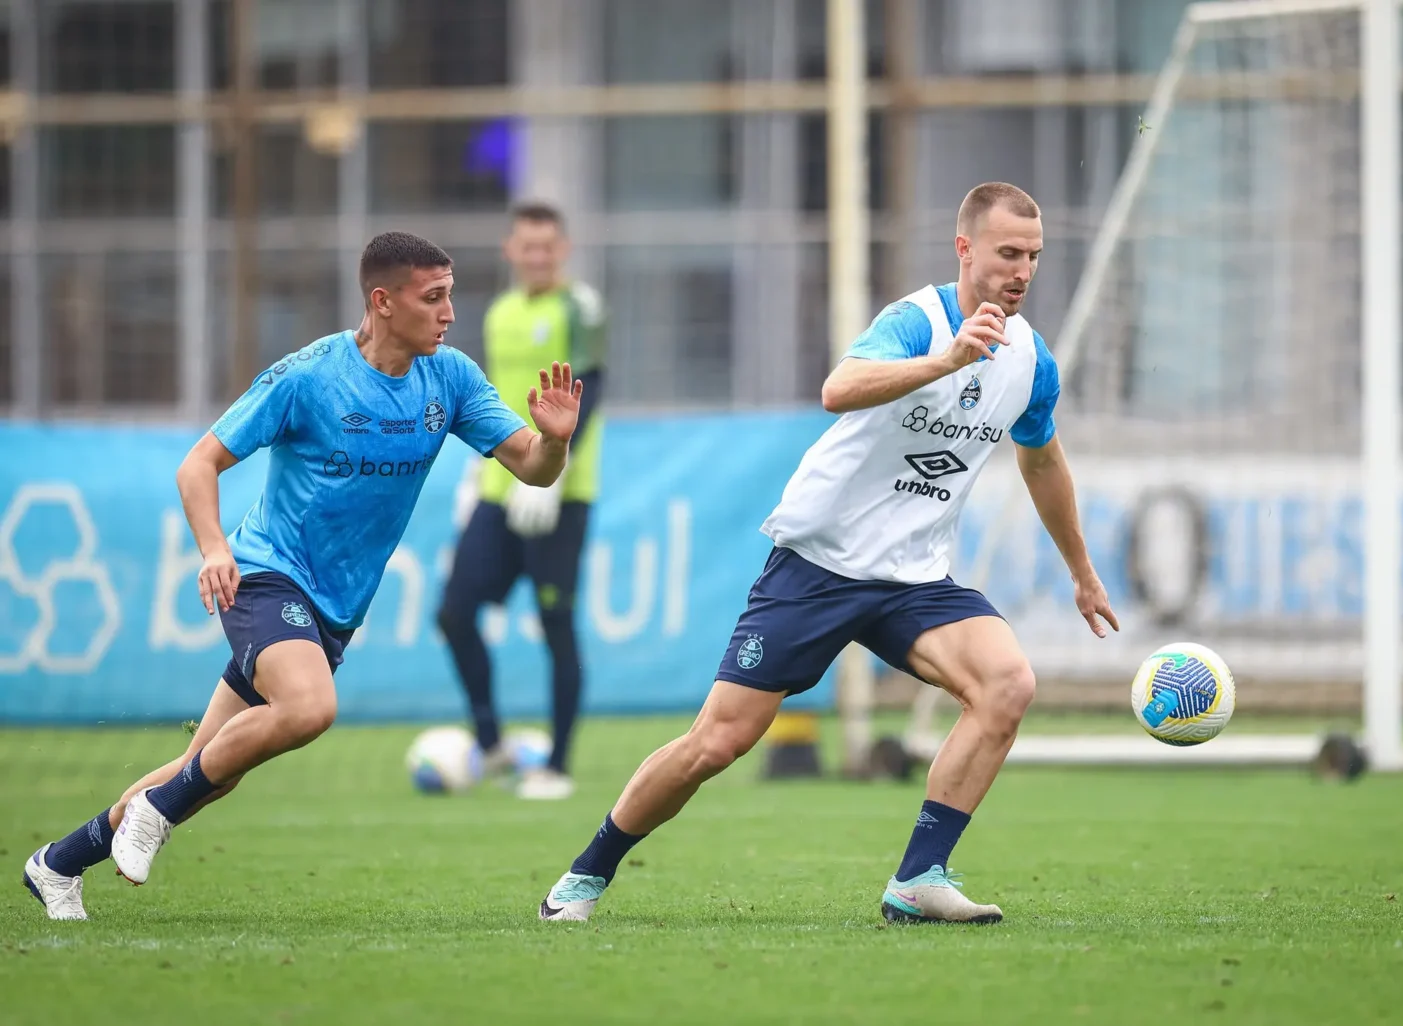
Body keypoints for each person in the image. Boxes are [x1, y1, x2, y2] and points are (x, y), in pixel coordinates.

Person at [538, 182, 1118, 925]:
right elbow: (838, 387)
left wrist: (1082, 571)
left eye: (1033, 256)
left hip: (912, 578)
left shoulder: (1031, 360)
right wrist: (943, 361)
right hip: (820, 564)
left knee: (1007, 684)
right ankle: (585, 876)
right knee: (719, 742)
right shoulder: (918, 321)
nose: (1022, 269)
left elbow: (1042, 462)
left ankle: (919, 878)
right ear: (965, 248)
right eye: (1008, 252)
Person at [22, 231, 583, 921]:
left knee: (210, 769)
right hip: (266, 576)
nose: (449, 313)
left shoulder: (453, 378)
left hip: (335, 609)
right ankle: (156, 814)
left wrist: (554, 438)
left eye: (451, 296)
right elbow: (198, 463)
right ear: (383, 301)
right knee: (309, 710)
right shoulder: (309, 376)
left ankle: (57, 863)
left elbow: (532, 466)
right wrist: (213, 551)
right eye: (433, 297)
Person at [436, 201, 606, 801]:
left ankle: (556, 765)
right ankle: (491, 743)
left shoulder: (579, 306)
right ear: (511, 251)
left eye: (547, 246)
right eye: (526, 246)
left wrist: (558, 470)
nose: (537, 256)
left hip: (563, 491)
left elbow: (596, 385)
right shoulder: (501, 311)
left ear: (563, 249)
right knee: (454, 611)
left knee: (556, 622)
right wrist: (473, 478)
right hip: (501, 487)